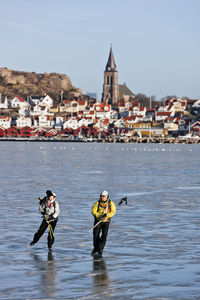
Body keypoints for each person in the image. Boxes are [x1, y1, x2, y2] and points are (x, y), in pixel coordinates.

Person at [91, 190, 116, 256]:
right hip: (98, 221)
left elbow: (113, 212)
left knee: (104, 236)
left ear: (107, 196)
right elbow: (93, 211)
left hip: (106, 222)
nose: (102, 197)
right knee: (95, 235)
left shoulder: (111, 203)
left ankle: (100, 249)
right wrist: (99, 215)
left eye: (103, 196)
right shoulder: (97, 203)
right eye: (101, 196)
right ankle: (95, 248)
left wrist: (106, 215)